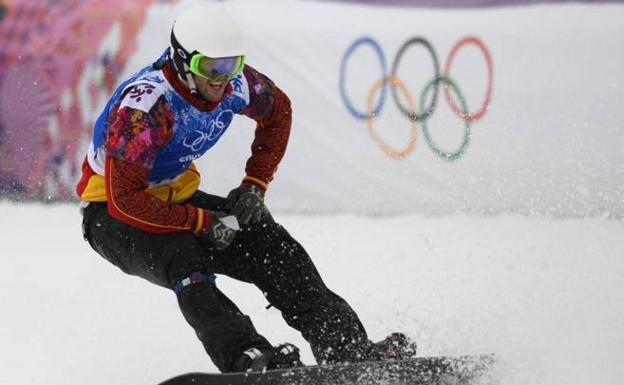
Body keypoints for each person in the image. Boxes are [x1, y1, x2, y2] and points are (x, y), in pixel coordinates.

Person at [77, 5, 416, 373]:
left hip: (178, 200)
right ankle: (246, 356)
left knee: (270, 244)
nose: (223, 79)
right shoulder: (145, 108)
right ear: (183, 61)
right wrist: (202, 222)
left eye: (232, 64)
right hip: (111, 215)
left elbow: (279, 111)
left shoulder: (234, 83)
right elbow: (125, 200)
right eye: (212, 68)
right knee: (185, 257)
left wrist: (256, 183)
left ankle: (346, 349)